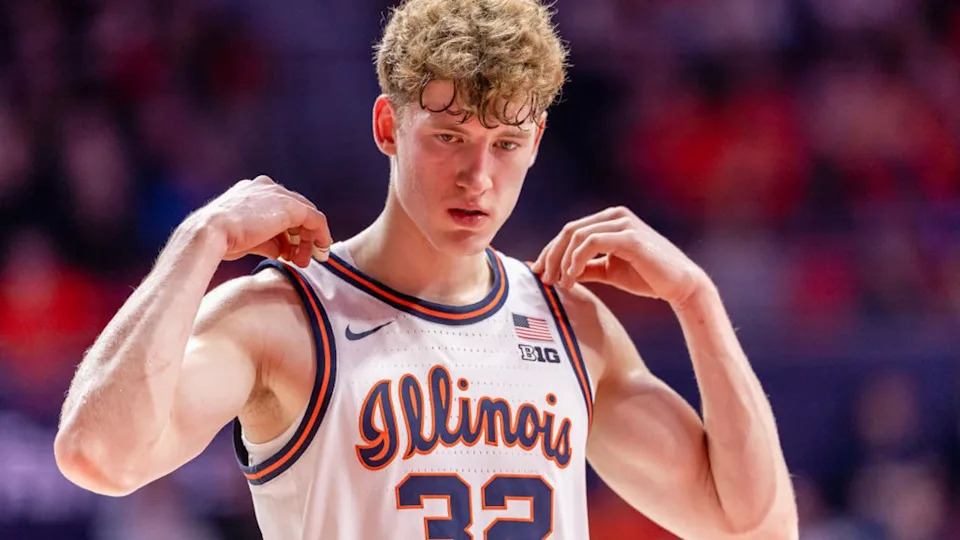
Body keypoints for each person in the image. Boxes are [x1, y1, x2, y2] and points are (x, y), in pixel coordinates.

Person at [54, 0, 799, 538]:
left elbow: (755, 526)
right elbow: (97, 454)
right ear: (388, 126)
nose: (477, 174)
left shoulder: (573, 327)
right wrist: (200, 239)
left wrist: (697, 301)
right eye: (448, 136)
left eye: (505, 143)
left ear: (537, 141)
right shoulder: (282, 318)